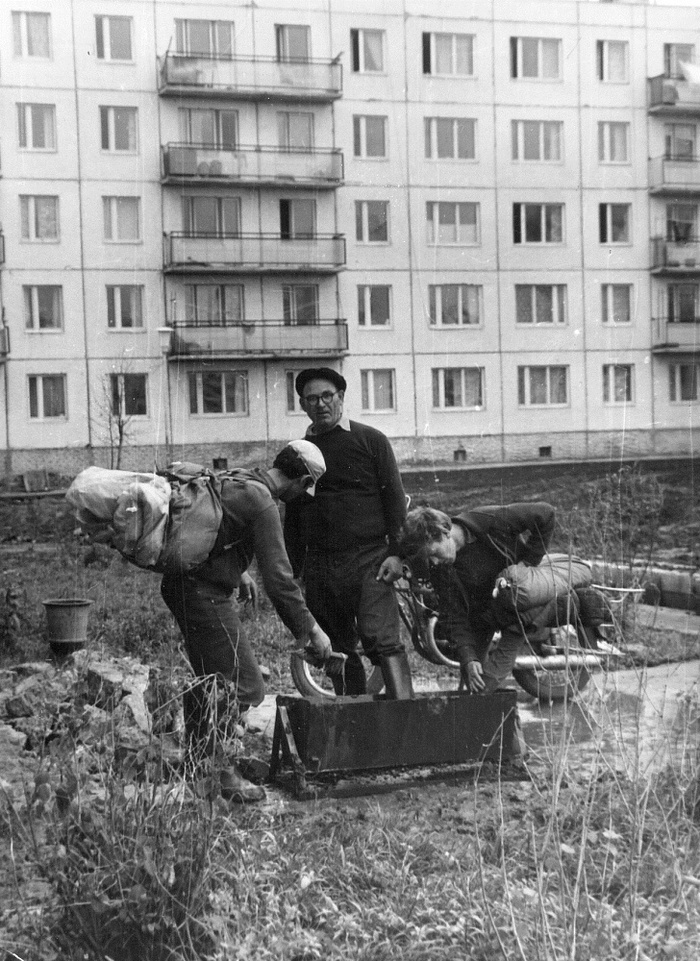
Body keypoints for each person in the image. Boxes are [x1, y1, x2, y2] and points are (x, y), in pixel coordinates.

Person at [160, 440, 333, 803]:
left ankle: (198, 764)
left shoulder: (241, 477)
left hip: (184, 585)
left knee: (212, 679)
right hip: (202, 593)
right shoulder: (265, 504)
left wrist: (237, 570)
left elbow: (220, 526)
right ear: (301, 482)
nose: (303, 496)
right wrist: (311, 630)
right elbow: (281, 582)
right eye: (305, 489)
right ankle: (221, 775)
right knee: (245, 683)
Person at [283, 367, 412, 698]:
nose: (321, 404)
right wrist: (294, 569)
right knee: (336, 649)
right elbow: (293, 515)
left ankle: (407, 723)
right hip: (321, 566)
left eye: (328, 396)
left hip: (370, 559)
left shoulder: (371, 441)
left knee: (381, 639)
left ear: (341, 397)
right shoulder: (295, 453)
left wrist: (397, 553)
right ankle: (354, 725)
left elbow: (395, 501)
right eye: (312, 398)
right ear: (302, 404)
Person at [397, 503, 556, 693]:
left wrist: (527, 564)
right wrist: (469, 658)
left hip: (519, 606)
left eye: (433, 553)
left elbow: (545, 513)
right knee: (472, 681)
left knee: (488, 683)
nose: (434, 562)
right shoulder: (440, 568)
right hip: (487, 615)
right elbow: (454, 616)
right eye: (428, 559)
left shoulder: (490, 521)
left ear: (444, 532)